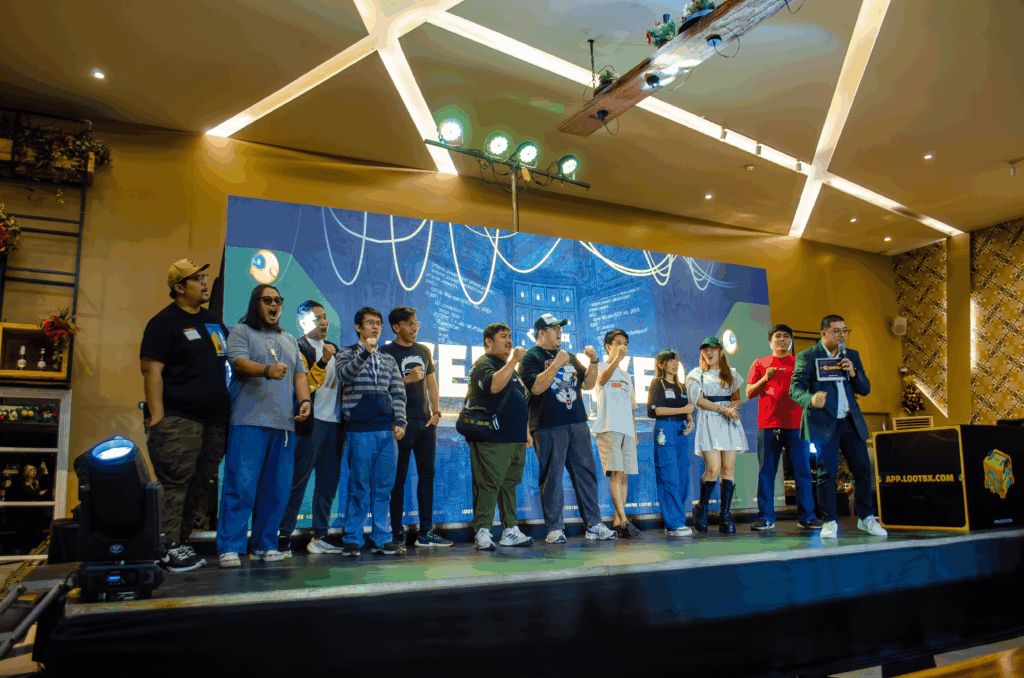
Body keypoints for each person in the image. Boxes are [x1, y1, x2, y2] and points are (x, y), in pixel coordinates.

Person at [140, 259, 231, 572]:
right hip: (179, 419)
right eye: (196, 279)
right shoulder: (164, 323)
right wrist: (157, 416)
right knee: (175, 483)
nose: (204, 282)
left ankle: (181, 540)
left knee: (200, 483)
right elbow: (151, 371)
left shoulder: (212, 320)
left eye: (204, 276)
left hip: (214, 421)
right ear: (179, 288)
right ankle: (165, 547)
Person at [217, 285, 312, 568]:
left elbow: (300, 374)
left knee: (276, 490)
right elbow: (239, 363)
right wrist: (267, 370)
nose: (274, 305)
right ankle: (230, 547)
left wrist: (305, 400)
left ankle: (264, 544)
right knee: (241, 486)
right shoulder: (241, 332)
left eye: (277, 301)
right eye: (267, 300)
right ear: (255, 303)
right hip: (248, 421)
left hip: (283, 426)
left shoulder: (289, 339)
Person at [518, 313, 616, 543]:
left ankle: (594, 525)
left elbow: (588, 384)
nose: (560, 331)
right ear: (541, 333)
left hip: (577, 422)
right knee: (552, 477)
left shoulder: (569, 356)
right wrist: (556, 364)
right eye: (555, 328)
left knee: (586, 474)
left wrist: (593, 363)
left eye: (560, 328)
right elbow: (536, 387)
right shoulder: (531, 357)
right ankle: (554, 529)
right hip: (547, 425)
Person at [790, 314, 887, 539]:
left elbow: (865, 389)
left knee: (862, 470)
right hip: (825, 423)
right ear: (823, 333)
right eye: (836, 331)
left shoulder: (851, 355)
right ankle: (829, 521)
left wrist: (853, 373)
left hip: (851, 421)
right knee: (827, 473)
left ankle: (866, 517)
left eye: (845, 331)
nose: (842, 335)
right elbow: (795, 389)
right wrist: (811, 399)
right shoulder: (807, 356)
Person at [336, 307, 407, 557]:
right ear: (358, 327)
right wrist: (365, 353)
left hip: (386, 432)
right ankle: (353, 538)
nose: (375, 327)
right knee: (358, 487)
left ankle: (382, 538)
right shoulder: (346, 353)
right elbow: (345, 376)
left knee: (383, 488)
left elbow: (398, 392)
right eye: (369, 322)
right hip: (359, 429)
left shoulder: (388, 360)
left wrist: (400, 421)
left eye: (378, 323)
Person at [380, 307, 451, 549]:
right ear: (396, 327)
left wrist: (436, 412)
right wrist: (408, 379)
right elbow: (382, 387)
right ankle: (397, 532)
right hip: (400, 422)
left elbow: (431, 383)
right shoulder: (385, 352)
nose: (414, 327)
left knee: (427, 476)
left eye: (416, 323)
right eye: (409, 323)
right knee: (397, 479)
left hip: (425, 422)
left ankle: (426, 531)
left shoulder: (423, 350)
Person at [278, 301, 345, 555]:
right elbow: (303, 385)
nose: (324, 322)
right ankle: (283, 536)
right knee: (297, 481)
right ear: (303, 322)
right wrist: (324, 360)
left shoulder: (335, 348)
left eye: (325, 317)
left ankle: (320, 536)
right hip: (310, 424)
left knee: (328, 484)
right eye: (318, 318)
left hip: (335, 424)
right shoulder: (297, 347)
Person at [465, 323, 534, 550]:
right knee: (487, 485)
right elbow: (493, 386)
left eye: (510, 336)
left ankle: (510, 530)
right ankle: (482, 531)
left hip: (514, 438)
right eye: (503, 337)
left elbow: (519, 400)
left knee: (509, 486)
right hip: (492, 438)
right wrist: (514, 361)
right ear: (488, 341)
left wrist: (526, 431)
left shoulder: (508, 369)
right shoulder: (483, 364)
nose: (509, 341)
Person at [747, 324, 821, 531]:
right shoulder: (760, 363)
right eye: (777, 336)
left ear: (791, 340)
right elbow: (749, 393)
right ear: (770, 341)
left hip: (797, 425)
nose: (781, 339)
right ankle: (765, 517)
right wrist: (765, 378)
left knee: (803, 472)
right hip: (769, 425)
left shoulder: (800, 363)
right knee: (766, 472)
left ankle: (807, 517)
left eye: (786, 336)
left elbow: (811, 391)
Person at [686, 336, 748, 534]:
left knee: (728, 468)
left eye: (713, 348)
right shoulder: (696, 374)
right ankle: (702, 508)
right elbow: (697, 400)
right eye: (705, 349)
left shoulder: (732, 374)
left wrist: (733, 407)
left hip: (729, 421)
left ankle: (725, 515)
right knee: (713, 468)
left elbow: (737, 399)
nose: (709, 352)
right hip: (709, 420)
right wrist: (722, 409)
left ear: (721, 352)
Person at [592, 329, 641, 538]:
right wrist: (617, 360)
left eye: (625, 344)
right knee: (616, 474)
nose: (623, 347)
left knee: (624, 476)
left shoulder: (627, 376)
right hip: (609, 427)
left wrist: (634, 432)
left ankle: (617, 521)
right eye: (618, 343)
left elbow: (631, 407)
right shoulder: (600, 367)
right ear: (608, 346)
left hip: (627, 429)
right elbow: (601, 381)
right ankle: (625, 521)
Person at [647, 350, 695, 537]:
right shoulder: (657, 383)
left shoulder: (681, 386)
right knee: (669, 475)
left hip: (680, 430)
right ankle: (675, 524)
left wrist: (690, 421)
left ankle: (675, 521)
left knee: (682, 477)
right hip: (664, 429)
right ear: (661, 364)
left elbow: (687, 409)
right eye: (670, 361)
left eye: (677, 360)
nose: (675, 364)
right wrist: (683, 410)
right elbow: (657, 410)